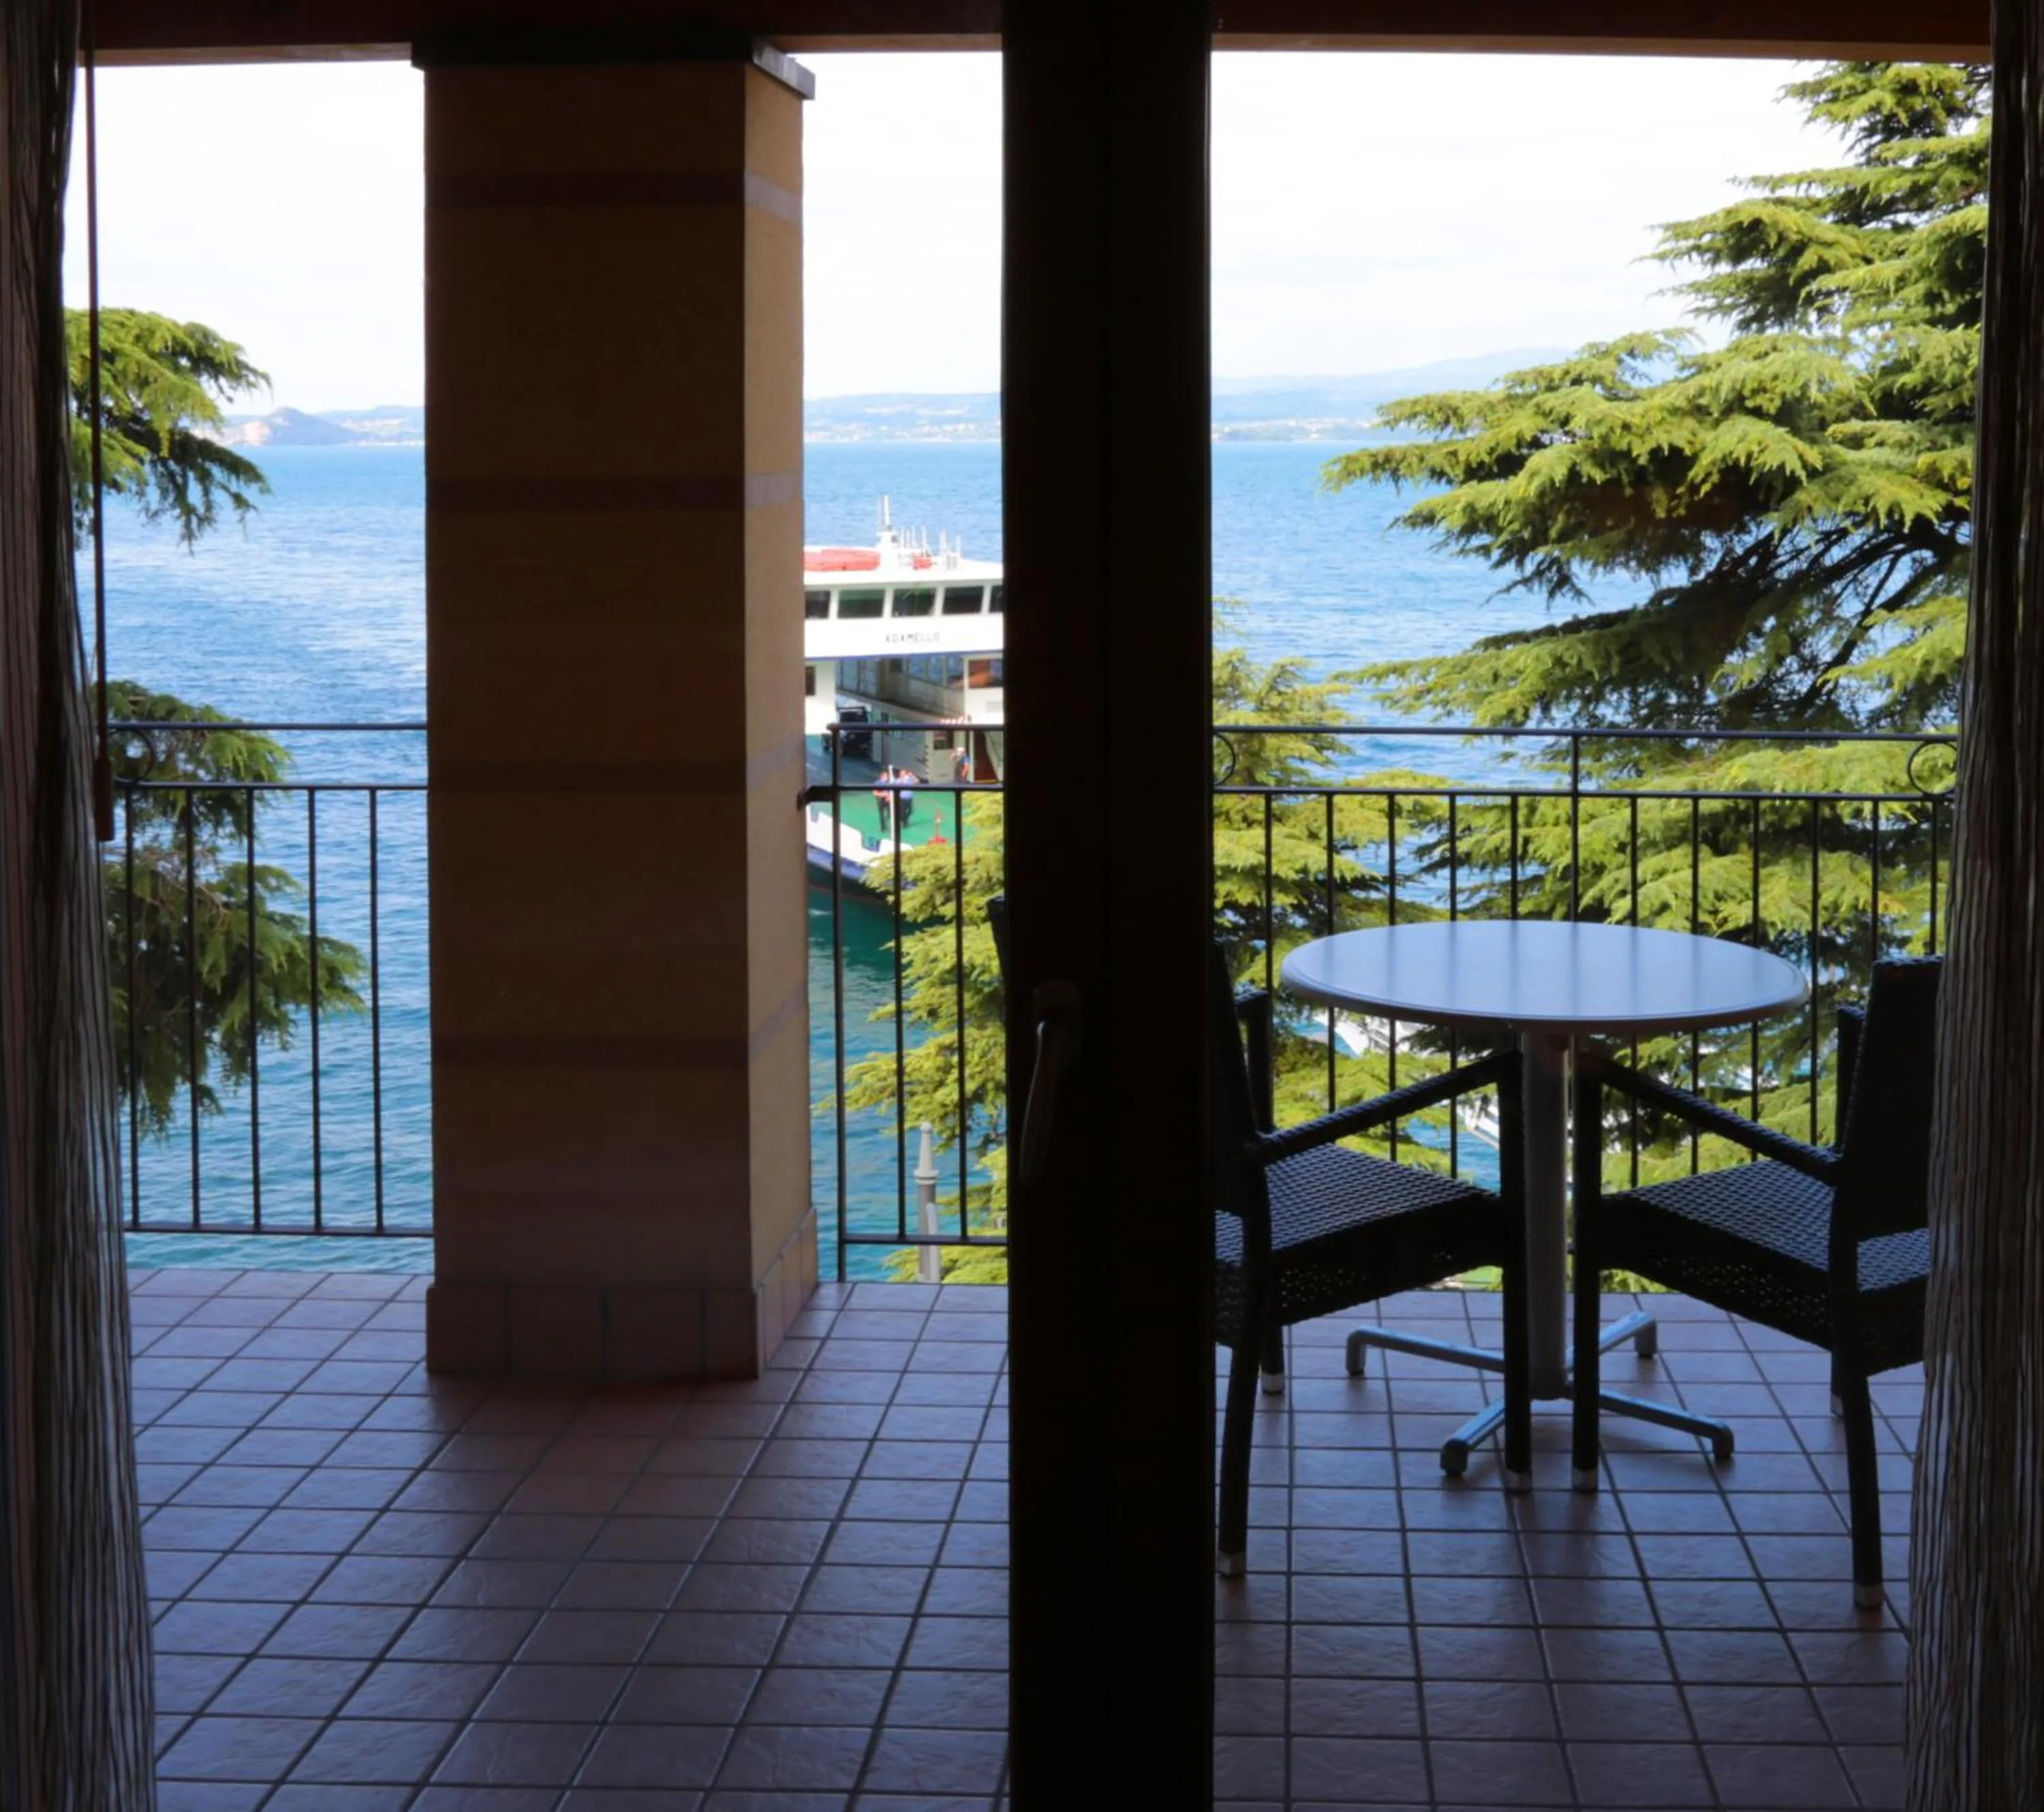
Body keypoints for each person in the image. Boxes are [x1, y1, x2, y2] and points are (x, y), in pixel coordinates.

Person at [895, 764, 918, 828]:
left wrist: (912, 776)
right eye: (902, 774)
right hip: (902, 799)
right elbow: (898, 784)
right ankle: (904, 823)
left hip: (910, 798)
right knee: (903, 811)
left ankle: (904, 819)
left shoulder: (909, 780)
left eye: (904, 773)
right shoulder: (899, 780)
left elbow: (917, 781)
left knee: (911, 810)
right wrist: (902, 779)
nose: (903, 775)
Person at [873, 767, 893, 835]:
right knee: (881, 814)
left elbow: (891, 791)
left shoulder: (889, 783)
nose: (887, 777)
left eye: (887, 776)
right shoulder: (878, 783)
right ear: (882, 777)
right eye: (885, 776)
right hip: (881, 800)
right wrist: (881, 794)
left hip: (887, 800)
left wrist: (889, 796)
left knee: (890, 813)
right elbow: (875, 792)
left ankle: (889, 825)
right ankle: (883, 827)